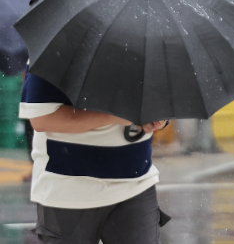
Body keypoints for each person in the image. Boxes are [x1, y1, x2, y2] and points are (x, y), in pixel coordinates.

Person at [19, 71, 170, 243]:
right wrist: (112, 116)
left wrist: (160, 117)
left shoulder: (148, 48)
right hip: (68, 187)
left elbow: (162, 98)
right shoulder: (60, 48)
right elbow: (42, 119)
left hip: (136, 181)